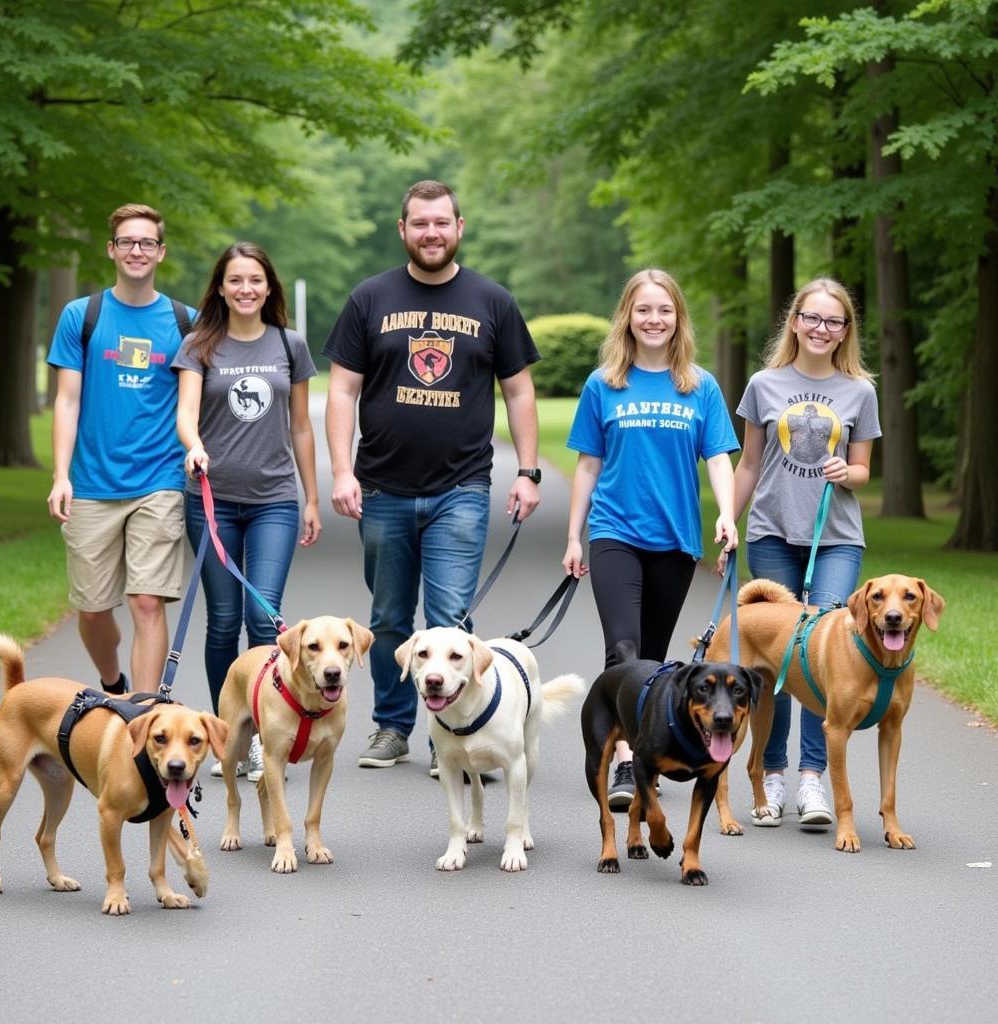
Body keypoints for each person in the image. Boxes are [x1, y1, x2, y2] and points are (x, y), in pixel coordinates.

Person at [324, 179, 542, 773]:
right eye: (420, 223)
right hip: (383, 488)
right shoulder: (369, 297)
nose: (431, 233)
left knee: (451, 622)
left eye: (441, 222)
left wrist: (527, 471)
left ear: (459, 227)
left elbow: (519, 391)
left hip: (462, 487)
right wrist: (341, 471)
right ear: (403, 230)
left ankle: (451, 736)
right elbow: (342, 389)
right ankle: (393, 728)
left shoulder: (492, 301)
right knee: (391, 618)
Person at [562, 268, 739, 809]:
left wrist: (728, 515)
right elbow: (588, 466)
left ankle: (644, 755)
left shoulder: (699, 385)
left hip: (676, 539)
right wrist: (574, 536)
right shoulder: (604, 383)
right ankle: (622, 765)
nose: (654, 319)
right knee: (623, 648)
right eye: (643, 310)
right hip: (614, 531)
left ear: (677, 317)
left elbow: (717, 458)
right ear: (628, 317)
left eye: (664, 310)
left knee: (656, 658)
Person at [721, 276, 880, 827]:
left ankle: (814, 778)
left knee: (827, 661)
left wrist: (848, 473)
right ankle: (772, 773)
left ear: (844, 332)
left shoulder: (860, 391)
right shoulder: (764, 384)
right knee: (778, 663)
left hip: (834, 538)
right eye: (811, 318)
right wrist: (728, 521)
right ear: (794, 322)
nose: (820, 328)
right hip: (770, 532)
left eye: (833, 321)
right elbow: (747, 463)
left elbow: (862, 468)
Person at [174, 242, 320, 782]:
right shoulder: (200, 345)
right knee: (224, 622)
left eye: (255, 280)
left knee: (264, 618)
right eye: (235, 280)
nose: (245, 289)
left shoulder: (290, 344)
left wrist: (311, 499)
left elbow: (301, 426)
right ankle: (225, 731)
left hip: (275, 500)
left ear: (269, 287)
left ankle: (263, 734)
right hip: (212, 501)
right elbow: (186, 413)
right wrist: (193, 445)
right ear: (220, 287)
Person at [47, 203, 193, 695]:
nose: (136, 250)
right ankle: (113, 683)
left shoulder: (184, 322)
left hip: (159, 481)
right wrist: (60, 475)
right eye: (127, 242)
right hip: (91, 484)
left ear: (161, 252)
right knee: (92, 609)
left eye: (146, 242)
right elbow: (67, 401)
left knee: (148, 602)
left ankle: (144, 712)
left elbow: (194, 406)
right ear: (112, 250)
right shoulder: (81, 316)